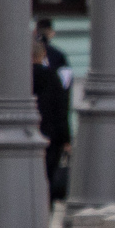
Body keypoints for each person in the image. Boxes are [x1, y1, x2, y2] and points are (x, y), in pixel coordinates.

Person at [31, 33, 71, 196]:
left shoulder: (17, 79)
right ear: (43, 55)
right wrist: (66, 139)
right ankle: (46, 211)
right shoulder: (52, 77)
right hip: (50, 137)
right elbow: (61, 110)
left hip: (26, 134)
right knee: (47, 178)